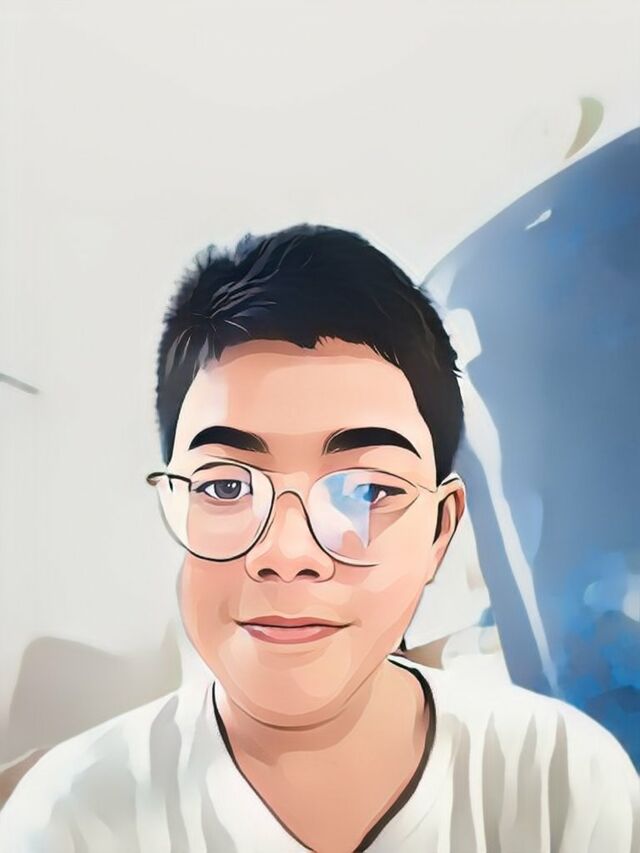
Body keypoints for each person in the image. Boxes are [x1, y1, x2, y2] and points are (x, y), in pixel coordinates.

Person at [1, 225, 637, 852]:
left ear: (440, 528)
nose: (287, 554)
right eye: (226, 486)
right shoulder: (73, 819)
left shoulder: (559, 783)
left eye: (366, 491)